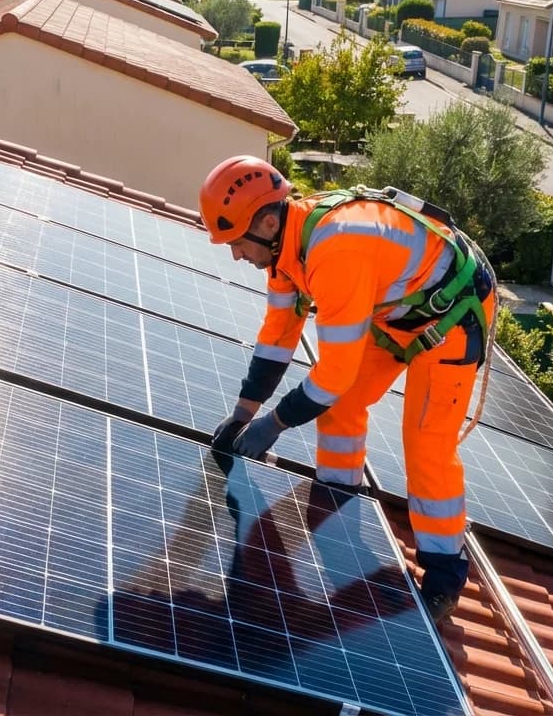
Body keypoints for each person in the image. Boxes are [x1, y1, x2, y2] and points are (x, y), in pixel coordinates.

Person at [199, 155, 497, 623]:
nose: (236, 254)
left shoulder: (335, 249)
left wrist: (272, 425)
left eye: (236, 242)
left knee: (425, 445)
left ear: (268, 221)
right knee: (341, 408)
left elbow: (332, 376)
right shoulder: (284, 249)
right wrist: (241, 413)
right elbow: (278, 335)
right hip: (396, 310)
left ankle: (444, 577)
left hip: (454, 314)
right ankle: (338, 498)